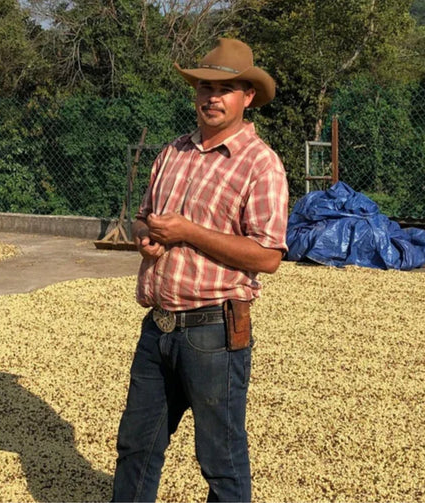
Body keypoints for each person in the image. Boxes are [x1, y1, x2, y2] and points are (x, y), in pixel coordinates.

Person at [112, 38, 289, 502]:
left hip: (214, 329)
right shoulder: (172, 153)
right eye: (205, 86)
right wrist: (144, 235)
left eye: (226, 88)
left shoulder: (260, 165)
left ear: (247, 96)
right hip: (158, 326)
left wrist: (188, 232)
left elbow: (268, 256)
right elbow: (145, 216)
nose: (212, 96)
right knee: (136, 446)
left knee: (221, 461)